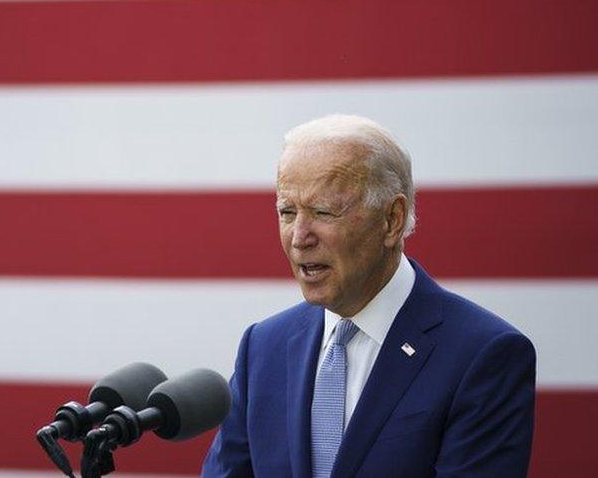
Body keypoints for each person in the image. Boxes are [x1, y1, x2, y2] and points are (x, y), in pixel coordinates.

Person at [201, 115, 535, 477]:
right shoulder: (262, 348)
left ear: (391, 220)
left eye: (323, 212)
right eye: (287, 212)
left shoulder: (484, 355)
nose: (299, 237)